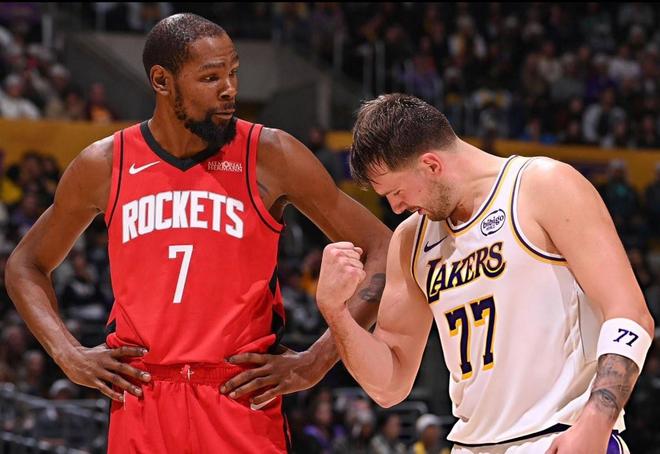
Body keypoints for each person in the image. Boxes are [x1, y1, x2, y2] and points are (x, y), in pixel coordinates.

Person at [5, 14, 390, 453]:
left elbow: (382, 247)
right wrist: (68, 355)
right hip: (141, 398)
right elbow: (25, 265)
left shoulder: (270, 154)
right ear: (161, 81)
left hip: (239, 397)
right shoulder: (105, 164)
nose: (229, 89)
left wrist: (318, 361)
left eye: (233, 72)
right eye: (210, 77)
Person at [315, 94, 654, 453]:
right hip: (471, 444)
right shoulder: (410, 240)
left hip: (557, 435)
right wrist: (336, 313)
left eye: (396, 191)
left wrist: (597, 420)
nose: (396, 207)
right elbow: (390, 385)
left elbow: (630, 314)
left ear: (431, 165)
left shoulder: (542, 186)